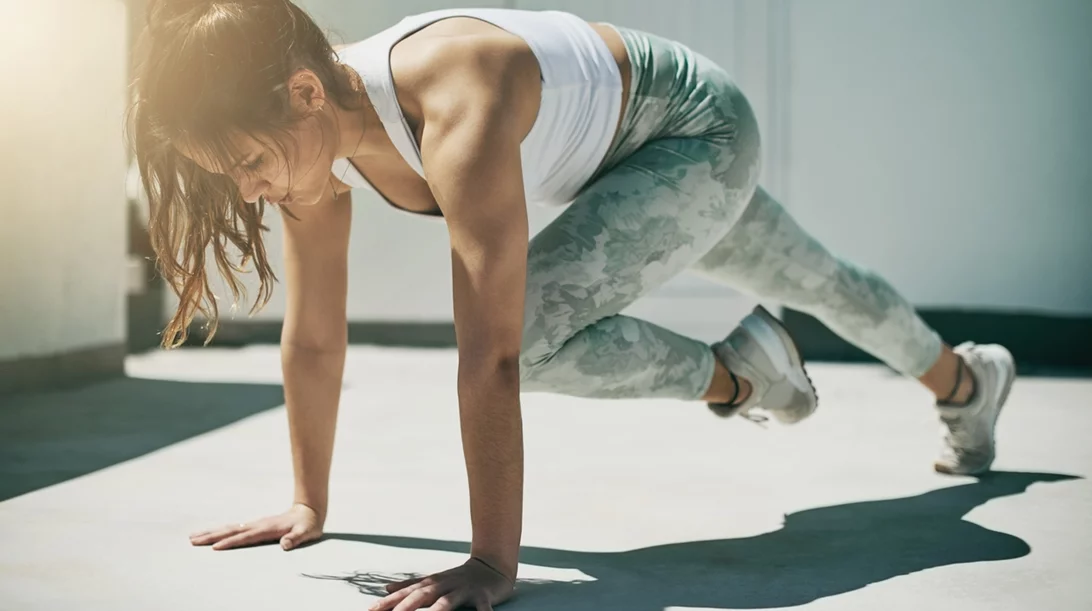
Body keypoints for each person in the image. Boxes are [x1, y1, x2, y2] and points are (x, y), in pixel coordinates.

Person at [131, 1, 1016, 609]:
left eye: (248, 164)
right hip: (622, 173)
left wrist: (490, 561)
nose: (249, 192)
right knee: (817, 278)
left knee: (540, 329)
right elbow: (316, 337)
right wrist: (306, 503)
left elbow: (495, 355)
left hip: (696, 130)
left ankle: (743, 378)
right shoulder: (311, 149)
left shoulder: (452, 100)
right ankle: (967, 384)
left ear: (304, 94)